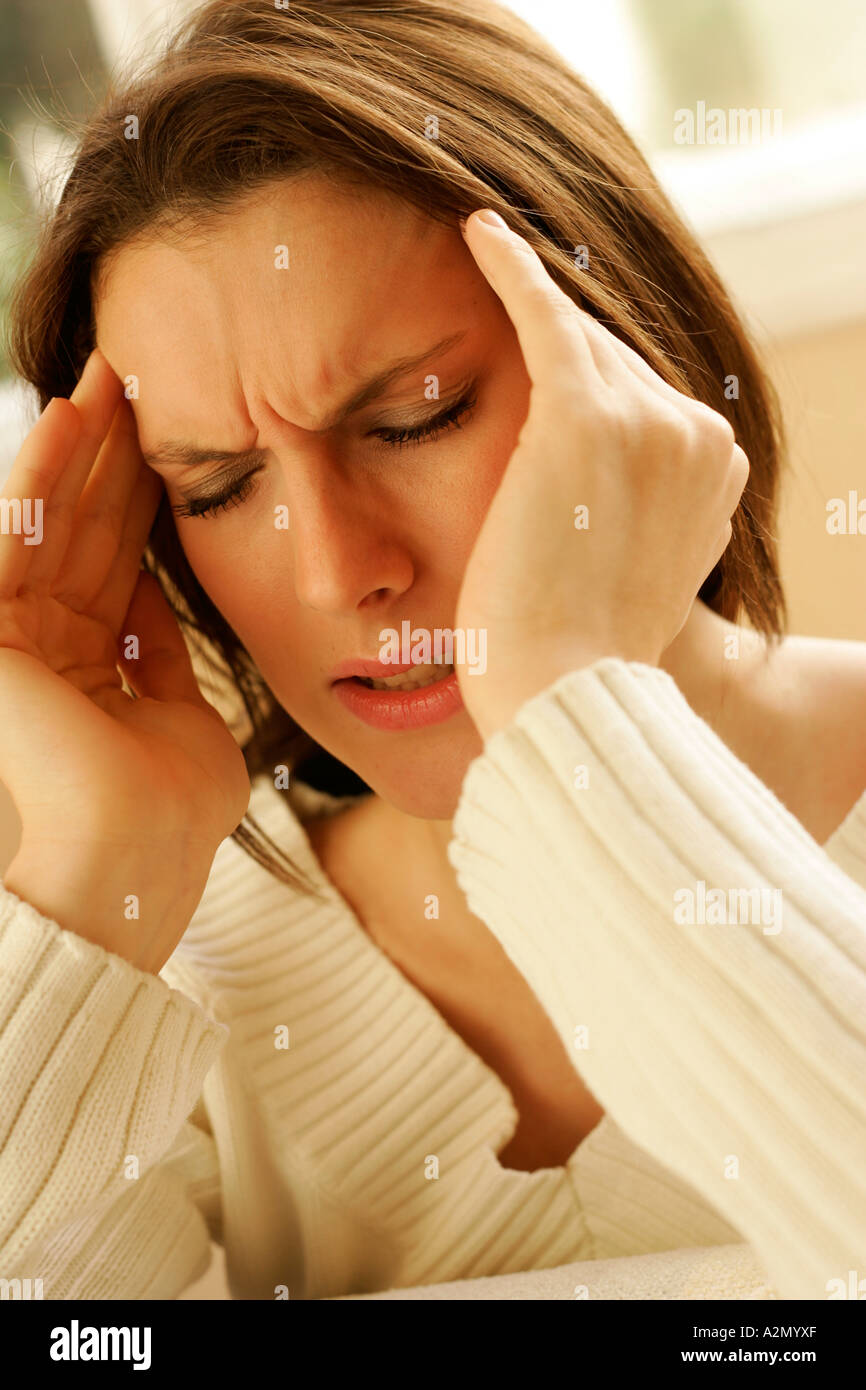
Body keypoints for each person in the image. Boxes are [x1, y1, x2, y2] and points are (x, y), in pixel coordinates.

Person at [1, 0, 864, 1302]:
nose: (337, 569)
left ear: (636, 364)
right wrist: (95, 872)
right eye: (220, 484)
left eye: (417, 416)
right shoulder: (172, 953)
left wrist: (572, 709)